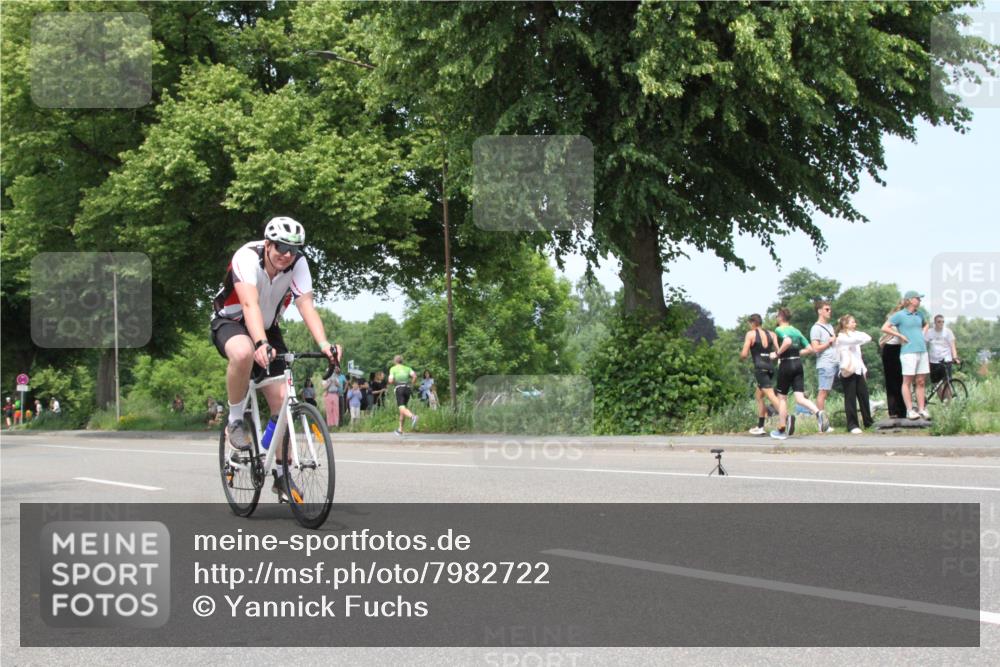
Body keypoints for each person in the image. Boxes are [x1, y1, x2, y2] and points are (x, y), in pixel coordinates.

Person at [210, 215, 339, 503]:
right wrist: (259, 343)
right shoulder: (247, 257)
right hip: (232, 321)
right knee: (243, 352)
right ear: (268, 244)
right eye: (281, 247)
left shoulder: (298, 263)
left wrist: (325, 344)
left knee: (282, 401)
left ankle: (281, 473)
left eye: (293, 249)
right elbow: (249, 304)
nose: (286, 255)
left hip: (268, 327)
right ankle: (235, 421)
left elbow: (306, 305)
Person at [770, 308, 827, 440]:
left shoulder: (779, 330)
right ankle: (818, 413)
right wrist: (796, 352)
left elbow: (788, 341)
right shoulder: (796, 330)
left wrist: (777, 354)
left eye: (777, 316)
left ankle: (782, 428)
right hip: (798, 364)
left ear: (780, 317)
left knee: (782, 398)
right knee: (800, 398)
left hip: (786, 364)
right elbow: (810, 349)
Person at [881, 290, 930, 420]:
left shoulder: (920, 314)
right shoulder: (900, 315)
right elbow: (885, 327)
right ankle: (909, 410)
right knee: (907, 381)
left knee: (920, 381)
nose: (920, 301)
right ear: (910, 300)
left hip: (922, 350)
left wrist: (923, 334)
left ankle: (921, 409)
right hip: (908, 351)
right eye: (918, 298)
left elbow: (926, 324)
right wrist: (900, 335)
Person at [739, 314, 782, 436]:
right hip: (770, 368)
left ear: (752, 323)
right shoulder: (772, 334)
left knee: (770, 395)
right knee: (759, 396)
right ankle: (760, 426)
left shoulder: (750, 334)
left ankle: (786, 417)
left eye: (749, 324)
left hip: (760, 368)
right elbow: (778, 351)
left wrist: (741, 357)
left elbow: (744, 353)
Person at [834, 314, 874, 434]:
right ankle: (852, 425)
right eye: (852, 322)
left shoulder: (855, 334)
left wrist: (857, 335)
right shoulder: (841, 337)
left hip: (858, 369)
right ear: (845, 324)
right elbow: (855, 340)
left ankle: (868, 422)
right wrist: (857, 337)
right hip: (848, 371)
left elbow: (868, 337)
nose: (855, 324)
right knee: (850, 398)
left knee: (864, 396)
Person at [810, 300, 838, 430]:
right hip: (825, 363)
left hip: (835, 362)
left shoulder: (830, 326)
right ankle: (822, 423)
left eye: (830, 309)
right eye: (827, 309)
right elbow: (815, 348)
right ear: (819, 311)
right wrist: (828, 342)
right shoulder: (816, 328)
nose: (829, 311)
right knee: (823, 392)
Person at [879, 299, 907, 419]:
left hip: (899, 349)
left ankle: (901, 410)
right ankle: (895, 410)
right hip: (891, 349)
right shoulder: (896, 317)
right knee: (893, 381)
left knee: (901, 380)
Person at [925, 315, 961, 400]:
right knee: (936, 384)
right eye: (939, 321)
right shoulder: (929, 332)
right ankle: (943, 401)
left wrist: (955, 357)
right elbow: (924, 345)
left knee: (947, 382)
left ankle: (949, 404)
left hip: (946, 360)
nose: (941, 323)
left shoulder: (948, 332)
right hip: (933, 361)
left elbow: (952, 346)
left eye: (943, 321)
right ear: (935, 323)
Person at [387, 355, 419, 436]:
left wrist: (395, 382)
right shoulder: (407, 368)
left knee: (401, 407)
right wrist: (412, 384)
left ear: (395, 361)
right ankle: (400, 429)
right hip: (407, 388)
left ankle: (413, 417)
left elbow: (390, 381)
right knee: (403, 409)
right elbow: (415, 376)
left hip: (399, 388)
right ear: (402, 361)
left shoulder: (393, 369)